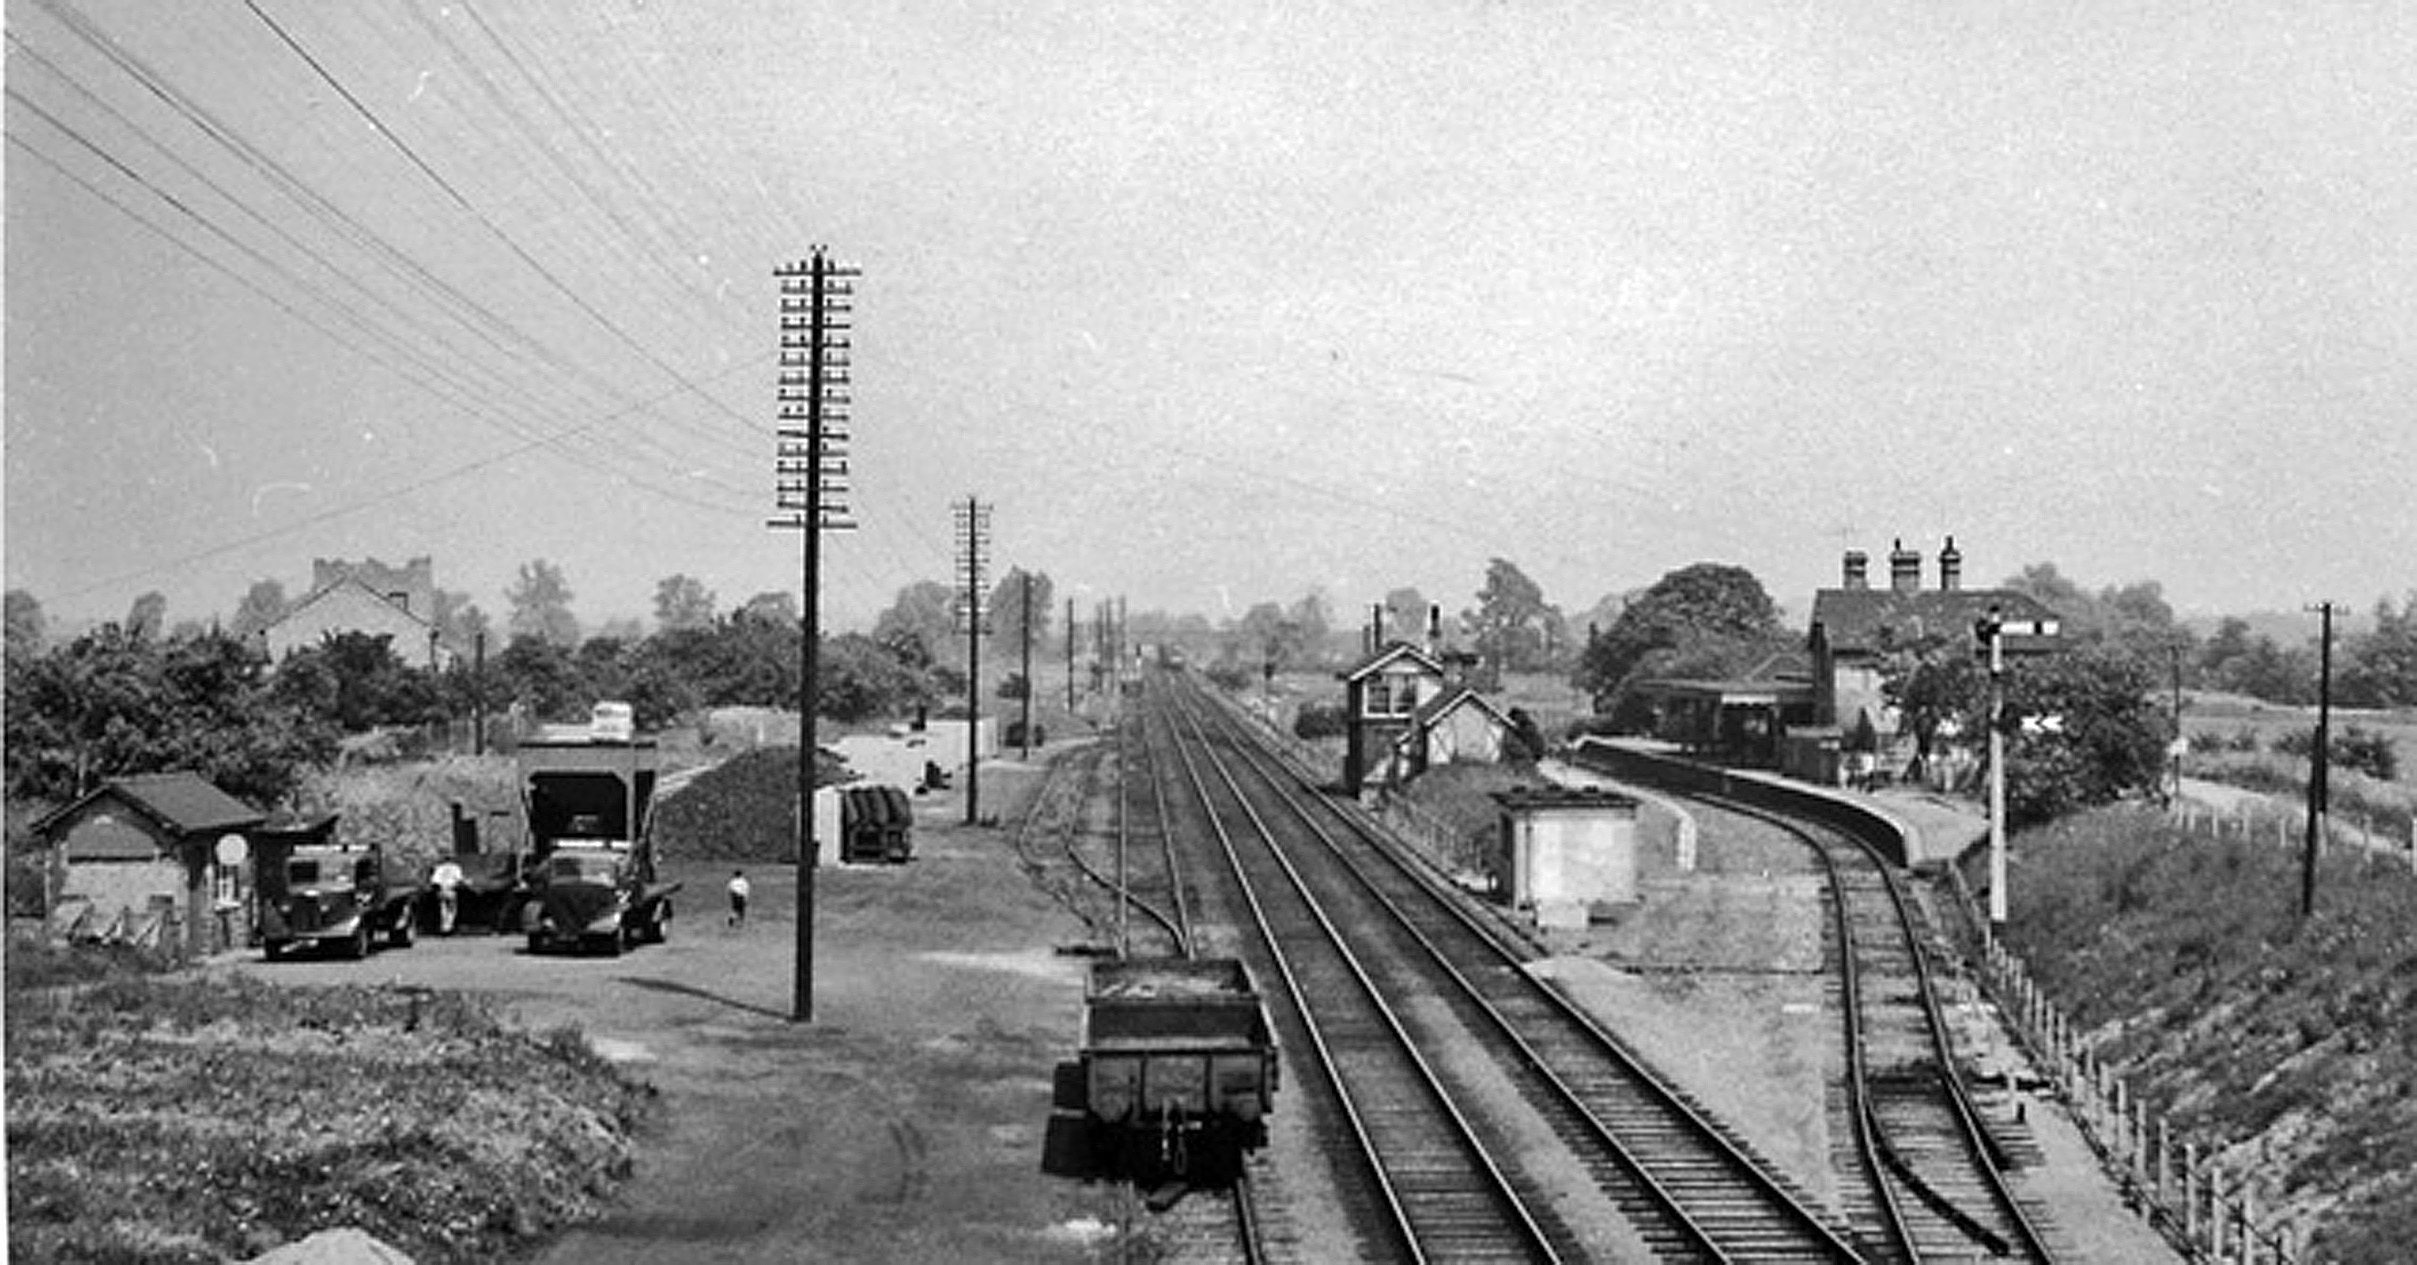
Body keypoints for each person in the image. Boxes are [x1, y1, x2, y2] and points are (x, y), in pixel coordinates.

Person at [431, 859, 465, 935]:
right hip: (451, 890)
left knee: (443, 908)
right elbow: (459, 879)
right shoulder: (455, 868)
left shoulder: (439, 868)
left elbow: (434, 881)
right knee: (452, 909)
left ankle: (444, 926)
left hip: (442, 890)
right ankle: (449, 926)